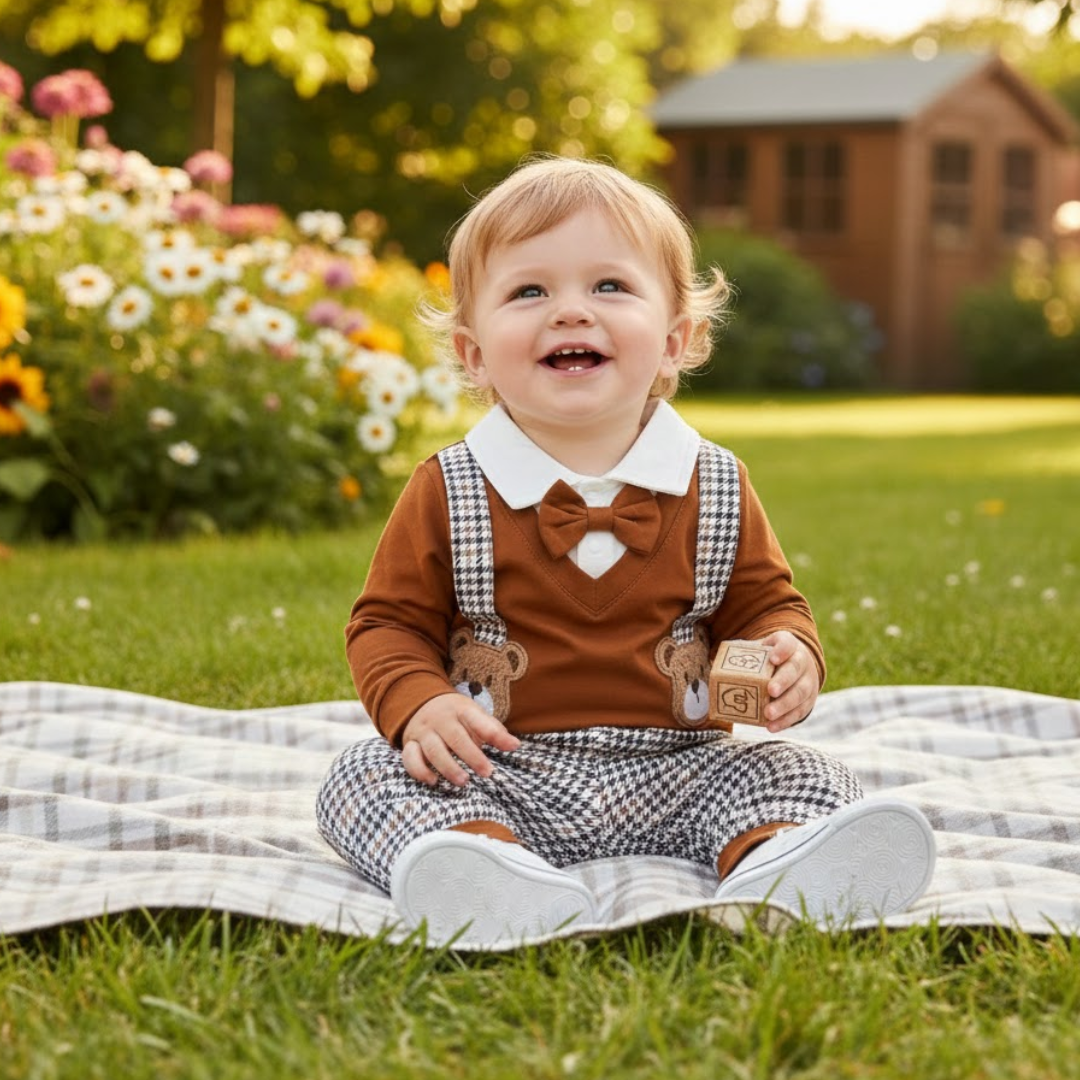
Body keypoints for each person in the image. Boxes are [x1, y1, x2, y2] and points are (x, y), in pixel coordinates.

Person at [316, 157, 935, 945]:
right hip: (503, 771)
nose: (571, 312)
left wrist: (787, 654)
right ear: (474, 354)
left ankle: (776, 866)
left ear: (676, 340)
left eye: (609, 287)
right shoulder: (448, 487)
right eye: (529, 291)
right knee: (361, 776)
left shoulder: (714, 481)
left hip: (684, 768)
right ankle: (486, 870)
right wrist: (422, 706)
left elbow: (763, 605)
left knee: (806, 773)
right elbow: (387, 625)